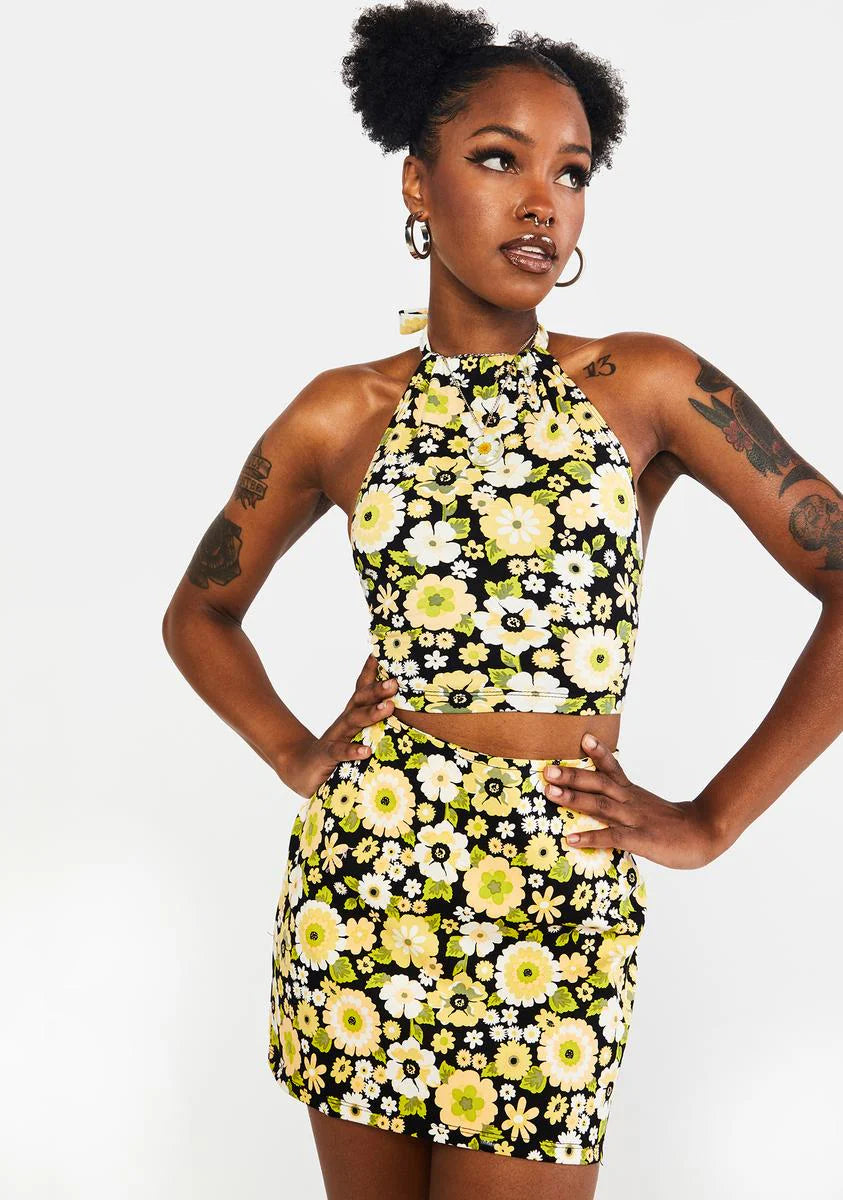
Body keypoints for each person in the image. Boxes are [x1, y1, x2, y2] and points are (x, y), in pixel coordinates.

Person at [162, 2, 843, 1197]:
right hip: (366, 882)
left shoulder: (643, 383)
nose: (543, 202)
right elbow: (198, 614)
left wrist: (712, 819)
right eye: (498, 159)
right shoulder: (341, 411)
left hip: (555, 896)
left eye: (571, 172)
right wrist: (294, 753)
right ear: (417, 186)